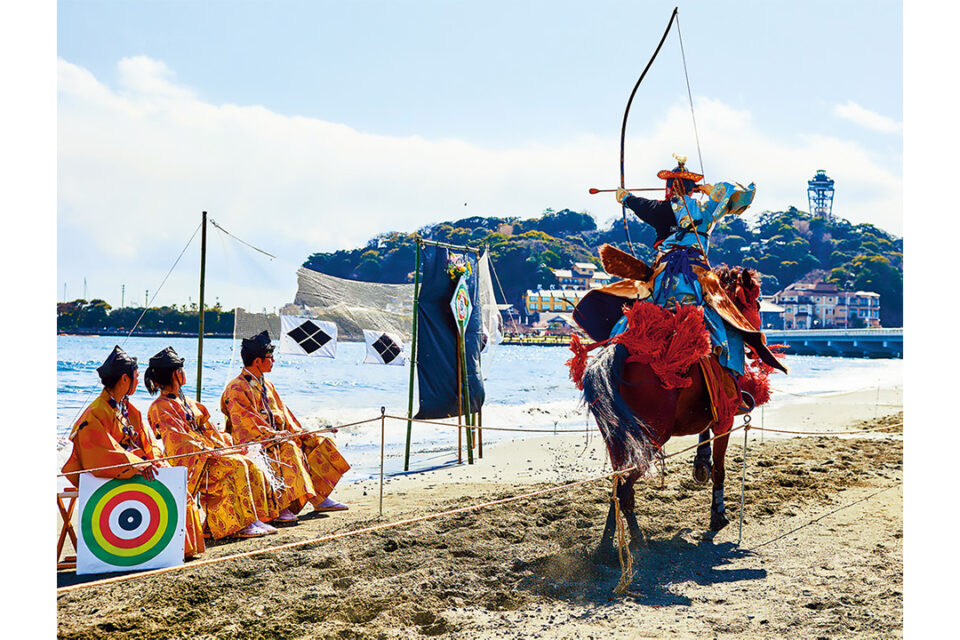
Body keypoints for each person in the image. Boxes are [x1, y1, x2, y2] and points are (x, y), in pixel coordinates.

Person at [611, 153, 786, 379]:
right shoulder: (707, 211)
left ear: (670, 188)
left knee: (630, 312)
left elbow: (641, 205)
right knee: (729, 320)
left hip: (664, 274)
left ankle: (612, 352)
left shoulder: (662, 209)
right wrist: (710, 191)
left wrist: (625, 197)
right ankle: (735, 382)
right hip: (700, 276)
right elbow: (735, 192)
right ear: (692, 189)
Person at [61, 345, 205, 558]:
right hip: (105, 473)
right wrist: (138, 465)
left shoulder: (127, 408)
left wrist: (153, 461)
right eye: (136, 376)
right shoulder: (95, 413)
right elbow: (102, 453)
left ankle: (179, 548)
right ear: (124, 380)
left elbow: (148, 443)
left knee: (171, 476)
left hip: (130, 468)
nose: (139, 381)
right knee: (163, 479)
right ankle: (168, 550)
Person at [144, 346, 279, 539]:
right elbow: (179, 441)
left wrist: (228, 446)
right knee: (237, 465)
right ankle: (237, 524)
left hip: (206, 453)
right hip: (191, 460)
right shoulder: (160, 407)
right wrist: (209, 451)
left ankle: (252, 518)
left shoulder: (188, 402)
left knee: (248, 460)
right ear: (177, 373)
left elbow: (210, 430)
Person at [220, 331, 350, 524]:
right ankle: (282, 506)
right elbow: (246, 424)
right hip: (256, 442)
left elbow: (284, 414)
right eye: (270, 358)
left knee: (317, 440)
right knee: (288, 447)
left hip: (277, 436)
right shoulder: (237, 388)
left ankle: (318, 497)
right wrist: (276, 435)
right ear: (257, 361)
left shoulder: (268, 385)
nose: (273, 361)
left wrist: (300, 431)